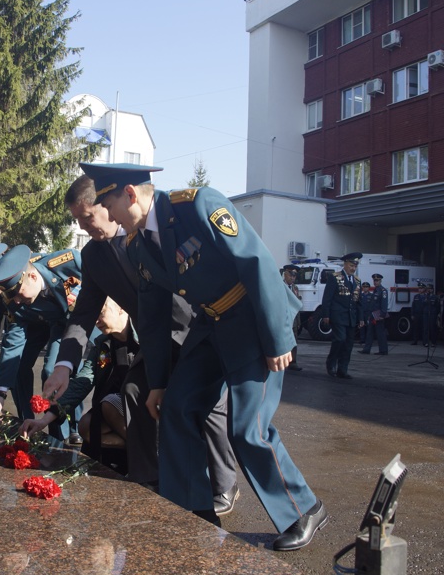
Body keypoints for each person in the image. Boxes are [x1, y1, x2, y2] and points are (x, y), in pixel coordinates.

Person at [85, 162, 326, 551]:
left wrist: (279, 336)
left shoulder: (197, 206)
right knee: (176, 407)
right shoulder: (138, 245)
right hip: (211, 324)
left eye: (108, 204)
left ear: (130, 194)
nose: (108, 215)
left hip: (253, 319)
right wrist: (159, 382)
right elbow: (153, 318)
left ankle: (303, 509)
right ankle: (194, 509)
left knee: (247, 427)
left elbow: (257, 262)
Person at [41, 175, 238, 516]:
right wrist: (63, 366)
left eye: (87, 217)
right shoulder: (94, 256)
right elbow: (84, 313)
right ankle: (150, 477)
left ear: (107, 204)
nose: (84, 226)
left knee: (209, 405)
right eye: (78, 221)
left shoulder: (146, 232)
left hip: (193, 330)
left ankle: (224, 484)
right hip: (153, 339)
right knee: (134, 389)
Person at [0, 244, 86, 443]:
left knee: (52, 371)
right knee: (19, 368)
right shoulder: (13, 296)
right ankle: (28, 423)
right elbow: (12, 342)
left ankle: (69, 431)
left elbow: (97, 283)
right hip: (37, 323)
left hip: (68, 322)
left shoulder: (64, 263)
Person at [20, 297, 134, 463]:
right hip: (117, 413)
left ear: (121, 308)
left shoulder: (145, 337)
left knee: (109, 403)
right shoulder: (103, 344)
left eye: (101, 313)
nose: (96, 321)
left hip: (145, 411)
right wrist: (44, 421)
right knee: (86, 426)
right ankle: (146, 448)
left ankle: (153, 451)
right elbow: (82, 382)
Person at [321, 252, 363, 379]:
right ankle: (331, 363)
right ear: (345, 264)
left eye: (355, 266)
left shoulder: (357, 280)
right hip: (338, 315)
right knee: (340, 339)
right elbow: (327, 298)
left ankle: (342, 369)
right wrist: (326, 314)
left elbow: (359, 301)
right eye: (351, 265)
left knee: (348, 343)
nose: (353, 268)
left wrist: (361, 318)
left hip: (351, 317)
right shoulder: (335, 277)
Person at [281, 264, 303, 371]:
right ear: (285, 274)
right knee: (282, 340)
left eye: (294, 276)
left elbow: (297, 305)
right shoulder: (279, 286)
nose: (292, 278)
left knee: (294, 340)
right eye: (290, 275)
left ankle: (293, 361)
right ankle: (282, 361)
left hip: (293, 320)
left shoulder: (295, 288)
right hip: (282, 318)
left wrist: (298, 322)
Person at [360, 274, 389, 355]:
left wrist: (382, 315)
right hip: (373, 315)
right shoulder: (376, 290)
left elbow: (384, 304)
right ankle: (366, 349)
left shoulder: (383, 291)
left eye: (377, 280)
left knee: (380, 333)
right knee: (369, 332)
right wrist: (370, 315)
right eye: (374, 280)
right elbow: (372, 304)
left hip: (379, 315)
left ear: (380, 281)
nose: (375, 282)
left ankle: (383, 350)